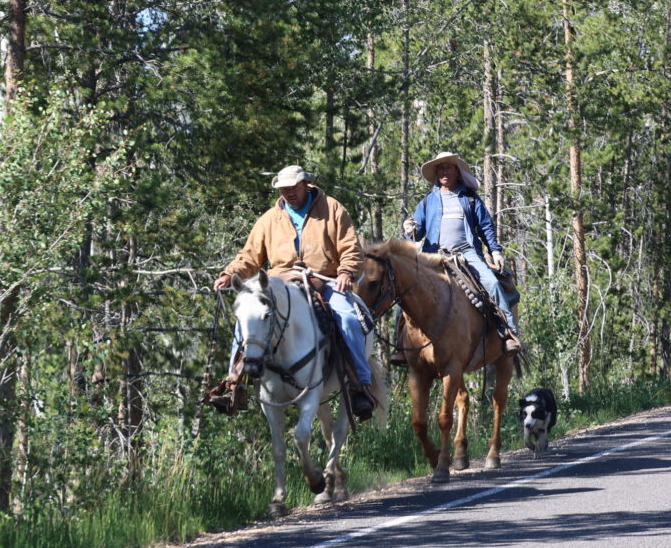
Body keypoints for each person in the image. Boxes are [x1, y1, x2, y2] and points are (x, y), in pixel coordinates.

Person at [213, 165, 375, 420]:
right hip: (280, 283)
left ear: (306, 185)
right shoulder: (269, 219)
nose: (288, 193)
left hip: (324, 280)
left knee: (348, 319)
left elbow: (350, 248)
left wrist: (346, 272)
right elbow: (249, 256)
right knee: (247, 318)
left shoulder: (332, 209)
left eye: (293, 188)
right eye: (284, 189)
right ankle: (234, 384)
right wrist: (228, 273)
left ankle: (359, 385)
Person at [404, 150, 521, 353]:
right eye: (441, 168)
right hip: (433, 255)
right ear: (436, 173)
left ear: (457, 172)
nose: (444, 172)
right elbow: (417, 231)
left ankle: (509, 331)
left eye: (449, 167)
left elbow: (485, 226)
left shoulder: (470, 198)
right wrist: (409, 229)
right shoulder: (428, 201)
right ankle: (403, 341)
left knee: (492, 283)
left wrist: (495, 251)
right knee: (406, 287)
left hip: (465, 253)